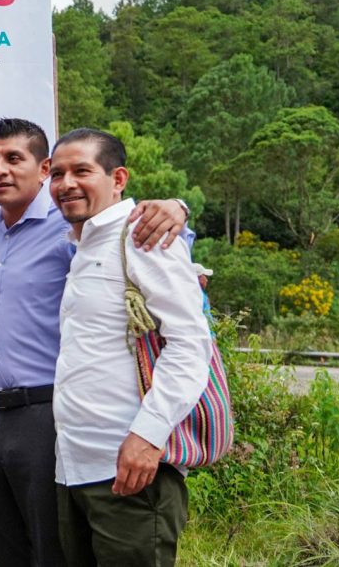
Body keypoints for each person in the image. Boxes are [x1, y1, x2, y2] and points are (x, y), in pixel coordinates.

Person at [0, 119, 189, 567]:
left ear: (41, 169)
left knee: (53, 552)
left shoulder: (72, 225)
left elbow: (154, 246)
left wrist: (177, 210)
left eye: (13, 158)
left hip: (46, 416)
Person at [48, 128, 212, 566]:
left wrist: (148, 435)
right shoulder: (82, 244)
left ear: (118, 178)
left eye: (82, 171)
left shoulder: (143, 236)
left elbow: (191, 344)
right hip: (76, 468)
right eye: (58, 174)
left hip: (131, 469)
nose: (66, 184)